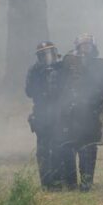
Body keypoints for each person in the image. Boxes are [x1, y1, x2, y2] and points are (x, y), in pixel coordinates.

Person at [57, 34, 103, 191]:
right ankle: (70, 183)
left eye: (88, 46)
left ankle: (86, 183)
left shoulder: (102, 67)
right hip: (70, 113)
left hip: (91, 113)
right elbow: (58, 88)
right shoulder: (68, 66)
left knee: (89, 148)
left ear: (93, 48)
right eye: (82, 46)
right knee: (68, 147)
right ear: (77, 48)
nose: (85, 49)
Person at [25, 41, 66, 189]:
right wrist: (40, 77)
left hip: (60, 111)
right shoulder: (34, 71)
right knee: (43, 149)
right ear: (39, 57)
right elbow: (29, 92)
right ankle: (46, 182)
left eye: (49, 53)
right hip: (41, 112)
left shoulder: (62, 68)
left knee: (60, 146)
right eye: (43, 54)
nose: (47, 57)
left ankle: (60, 179)